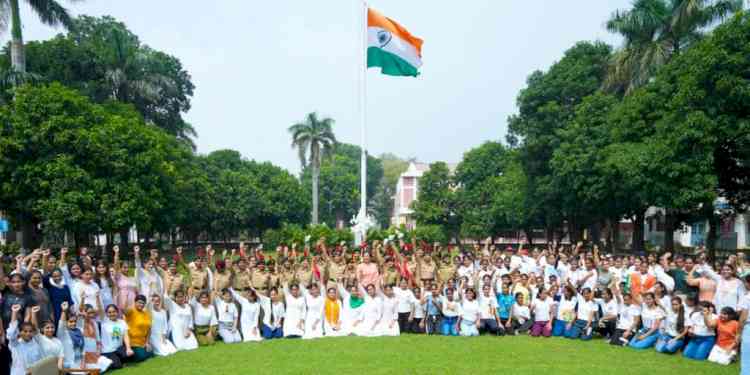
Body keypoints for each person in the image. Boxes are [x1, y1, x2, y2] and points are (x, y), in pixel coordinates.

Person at [6, 304, 43, 375]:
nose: (28, 333)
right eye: (25, 331)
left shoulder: (36, 343)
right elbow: (11, 333)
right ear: (19, 332)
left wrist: (34, 313)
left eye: (30, 331)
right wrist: (14, 312)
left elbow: (36, 331)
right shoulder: (15, 344)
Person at [100, 304, 133, 370]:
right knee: (117, 366)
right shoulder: (103, 322)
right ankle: (106, 361)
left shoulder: (122, 322)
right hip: (108, 351)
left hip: (119, 349)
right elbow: (100, 310)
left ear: (117, 312)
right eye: (109, 312)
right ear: (106, 314)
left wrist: (128, 348)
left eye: (114, 311)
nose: (112, 314)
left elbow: (126, 336)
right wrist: (97, 297)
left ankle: (117, 359)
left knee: (130, 355)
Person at [124, 295, 153, 362]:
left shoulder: (146, 313)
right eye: (139, 302)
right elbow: (125, 312)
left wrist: (147, 343)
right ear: (135, 302)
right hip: (133, 343)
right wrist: (128, 301)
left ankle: (142, 351)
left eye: (143, 303)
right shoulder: (131, 311)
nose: (141, 304)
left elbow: (149, 330)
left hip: (143, 343)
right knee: (142, 356)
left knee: (151, 353)